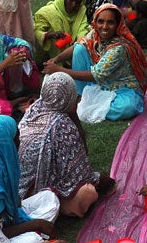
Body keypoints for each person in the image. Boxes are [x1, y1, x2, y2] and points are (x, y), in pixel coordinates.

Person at [18, 72, 115, 216]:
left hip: (18, 190)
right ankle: (56, 209)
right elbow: (79, 174)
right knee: (88, 193)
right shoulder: (62, 125)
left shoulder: (34, 110)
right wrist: (100, 179)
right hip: (37, 195)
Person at [45, 4, 147, 122]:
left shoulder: (119, 47)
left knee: (127, 107)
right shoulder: (95, 33)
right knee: (79, 48)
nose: (105, 27)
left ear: (117, 25)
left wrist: (58, 70)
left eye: (110, 22)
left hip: (122, 89)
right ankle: (80, 96)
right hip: (102, 83)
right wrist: (56, 59)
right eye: (101, 21)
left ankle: (87, 102)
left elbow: (96, 75)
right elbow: (76, 47)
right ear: (95, 22)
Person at [32, 0, 90, 65]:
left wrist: (79, 41)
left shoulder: (80, 11)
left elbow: (82, 28)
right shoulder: (47, 12)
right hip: (49, 52)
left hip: (73, 47)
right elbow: (37, 31)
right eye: (71, 0)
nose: (74, 5)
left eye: (77, 2)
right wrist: (50, 35)